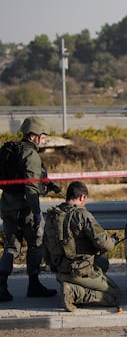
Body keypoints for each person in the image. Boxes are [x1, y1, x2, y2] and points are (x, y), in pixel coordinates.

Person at [0, 116, 61, 302]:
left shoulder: (12, 150)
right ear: (33, 136)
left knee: (11, 247)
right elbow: (31, 187)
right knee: (37, 243)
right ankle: (34, 284)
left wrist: (50, 185)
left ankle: (1, 286)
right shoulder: (31, 155)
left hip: (7, 205)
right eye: (43, 136)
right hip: (25, 208)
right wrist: (36, 213)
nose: (45, 139)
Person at [43, 180, 122, 312]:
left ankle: (71, 285)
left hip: (60, 270)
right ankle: (74, 292)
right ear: (82, 197)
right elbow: (106, 244)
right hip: (78, 271)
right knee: (115, 296)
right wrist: (112, 241)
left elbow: (45, 246)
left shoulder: (52, 216)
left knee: (102, 263)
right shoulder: (82, 215)